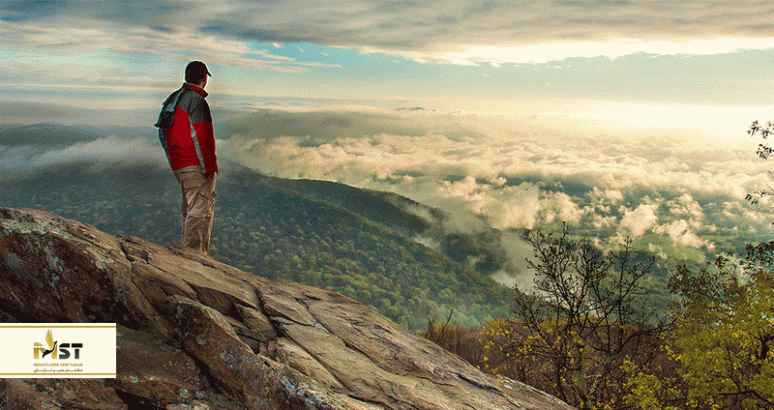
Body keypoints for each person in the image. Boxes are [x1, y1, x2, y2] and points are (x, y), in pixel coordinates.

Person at [156, 61, 218, 254]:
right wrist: (209, 167)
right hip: (195, 164)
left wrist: (173, 159)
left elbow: (162, 132)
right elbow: (202, 136)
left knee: (189, 210)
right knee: (200, 210)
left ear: (186, 76)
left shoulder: (173, 98)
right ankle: (195, 257)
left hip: (180, 165)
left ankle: (188, 253)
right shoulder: (197, 101)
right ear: (204, 79)